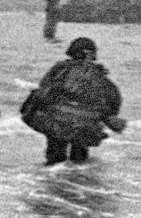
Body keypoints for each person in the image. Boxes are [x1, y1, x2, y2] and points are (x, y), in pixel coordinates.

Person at [21, 37, 126, 165]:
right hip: (86, 128)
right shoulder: (101, 77)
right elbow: (114, 102)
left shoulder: (60, 69)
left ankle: (53, 177)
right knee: (80, 160)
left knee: (54, 159)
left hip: (57, 124)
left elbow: (43, 94)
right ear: (89, 54)